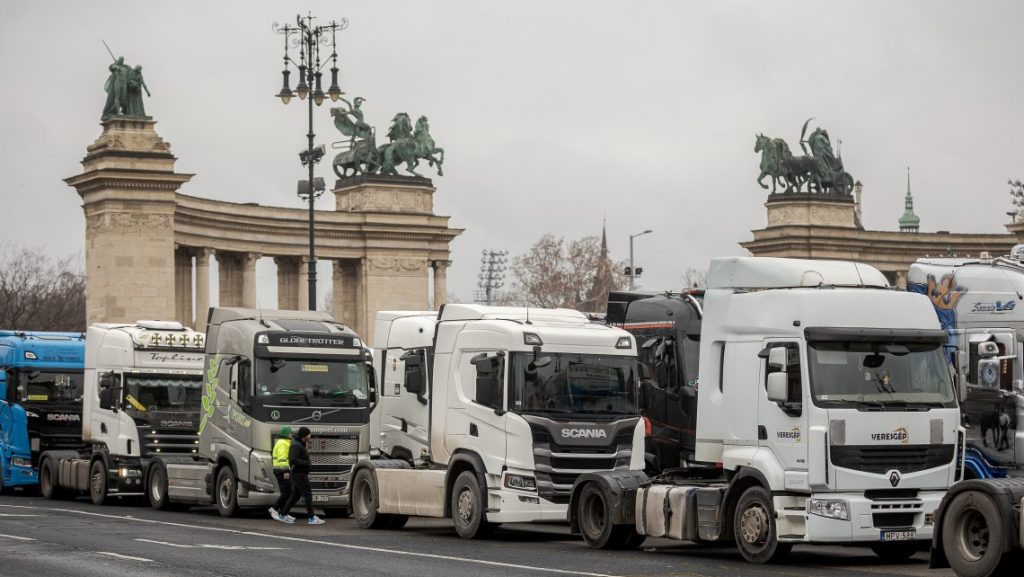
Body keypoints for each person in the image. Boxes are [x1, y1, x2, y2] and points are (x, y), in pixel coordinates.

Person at [276, 427, 325, 525]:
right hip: (299, 474)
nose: (310, 436)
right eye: (309, 434)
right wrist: (306, 463)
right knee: (308, 494)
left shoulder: (299, 444)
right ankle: (311, 518)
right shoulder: (296, 445)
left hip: (300, 473)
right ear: (305, 435)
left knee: (296, 495)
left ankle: (283, 514)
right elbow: (293, 459)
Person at [268, 426, 293, 521]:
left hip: (281, 470)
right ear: (287, 434)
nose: (292, 435)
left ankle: (284, 513)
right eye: (290, 433)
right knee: (287, 492)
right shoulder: (283, 443)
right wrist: (286, 471)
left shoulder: (284, 442)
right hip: (282, 471)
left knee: (287, 492)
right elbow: (282, 458)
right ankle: (274, 509)